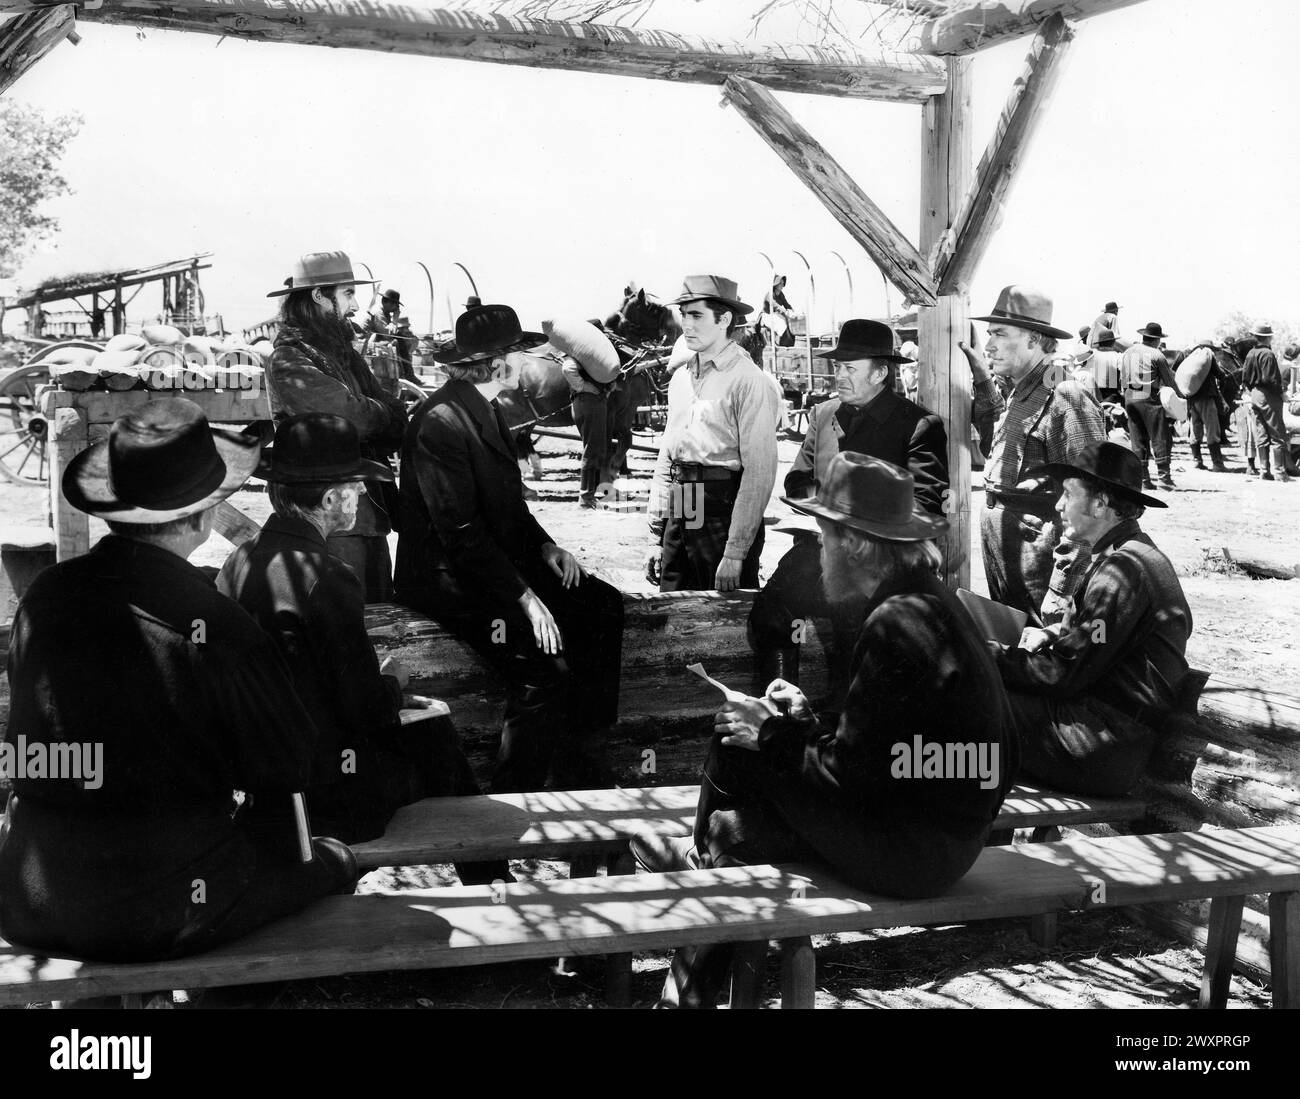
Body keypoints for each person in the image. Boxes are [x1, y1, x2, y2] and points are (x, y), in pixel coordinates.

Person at [632, 454, 1016, 1008]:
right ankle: (704, 869)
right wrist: (809, 721)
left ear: (856, 545)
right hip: (948, 842)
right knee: (737, 813)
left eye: (824, 538)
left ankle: (697, 882)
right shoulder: (935, 605)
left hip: (910, 854)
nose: (820, 553)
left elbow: (854, 776)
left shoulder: (894, 623)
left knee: (735, 747)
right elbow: (890, 752)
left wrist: (773, 735)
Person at [0, 399, 356, 963]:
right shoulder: (213, 622)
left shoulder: (44, 595)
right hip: (159, 907)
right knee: (333, 859)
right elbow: (286, 764)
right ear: (201, 516)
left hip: (27, 895)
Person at [216, 413, 508, 885]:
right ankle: (492, 885)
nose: (363, 496)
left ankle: (490, 883)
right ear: (332, 498)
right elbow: (360, 705)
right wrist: (395, 689)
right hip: (325, 788)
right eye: (356, 486)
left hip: (264, 773)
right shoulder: (325, 576)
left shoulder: (239, 561)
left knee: (430, 728)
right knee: (437, 739)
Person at [394, 304, 624, 792]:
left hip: (489, 563)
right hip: (446, 577)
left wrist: (546, 548)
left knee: (602, 607)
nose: (526, 363)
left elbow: (508, 509)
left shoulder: (486, 408)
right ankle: (507, 805)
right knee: (544, 670)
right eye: (519, 355)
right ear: (496, 363)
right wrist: (525, 598)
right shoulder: (439, 421)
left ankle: (579, 761)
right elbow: (461, 533)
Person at [748, 318, 948, 698]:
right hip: (820, 548)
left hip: (879, 562)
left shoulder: (917, 425)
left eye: (850, 368)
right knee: (769, 615)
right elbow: (797, 480)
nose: (838, 374)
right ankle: (780, 710)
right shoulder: (824, 415)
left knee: (853, 646)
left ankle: (842, 730)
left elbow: (927, 502)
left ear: (880, 373)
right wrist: (826, 507)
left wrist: (858, 516)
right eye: (837, 366)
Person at [996, 442, 1192, 796]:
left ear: (1102, 503)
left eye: (1068, 494)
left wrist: (986, 654)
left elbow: (1060, 674)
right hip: (1099, 734)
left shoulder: (1123, 571)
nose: (1057, 506)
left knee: (968, 696)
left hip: (1099, 743)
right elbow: (1099, 639)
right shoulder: (1126, 557)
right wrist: (1056, 634)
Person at [265, 251, 407, 602]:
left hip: (366, 510)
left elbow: (389, 409)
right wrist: (384, 415)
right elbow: (350, 419)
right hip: (326, 515)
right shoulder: (290, 358)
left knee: (380, 614)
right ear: (318, 296)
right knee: (350, 616)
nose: (356, 305)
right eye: (347, 294)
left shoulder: (341, 352)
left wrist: (384, 414)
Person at [974, 285, 1107, 625]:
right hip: (1011, 551)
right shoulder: (1023, 388)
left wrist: (1062, 588)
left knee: (1044, 654)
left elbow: (1091, 499)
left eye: (1000, 334)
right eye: (990, 334)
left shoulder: (1065, 393)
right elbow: (1008, 441)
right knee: (1015, 644)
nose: (989, 344)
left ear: (1034, 339)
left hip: (1039, 558)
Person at [646, 275, 779, 593]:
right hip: (683, 501)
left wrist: (735, 553)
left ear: (725, 320)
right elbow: (668, 455)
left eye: (696, 315)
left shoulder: (749, 381)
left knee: (724, 618)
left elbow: (758, 473)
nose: (686, 325)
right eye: (683, 314)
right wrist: (656, 535)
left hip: (722, 505)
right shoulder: (681, 378)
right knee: (673, 607)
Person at [1120, 320, 1182, 490]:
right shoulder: (1157, 355)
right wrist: (1181, 396)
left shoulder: (1128, 353)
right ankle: (1164, 478)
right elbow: (1169, 381)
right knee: (1159, 436)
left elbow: (1122, 379)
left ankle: (1143, 479)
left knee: (1137, 438)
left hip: (1130, 396)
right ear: (1156, 340)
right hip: (1148, 396)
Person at [1241, 323, 1296, 482]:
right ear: (1268, 337)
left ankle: (1264, 471)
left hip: (1255, 395)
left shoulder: (1251, 353)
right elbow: (1271, 380)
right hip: (1269, 396)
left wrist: (1254, 391)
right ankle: (1279, 472)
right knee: (1278, 434)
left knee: (1261, 433)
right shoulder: (1268, 354)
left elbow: (1245, 378)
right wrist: (1282, 394)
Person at [1177, 338, 1229, 472]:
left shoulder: (1192, 357)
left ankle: (1197, 460)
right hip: (1206, 398)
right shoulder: (1207, 356)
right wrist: (1225, 376)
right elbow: (1219, 374)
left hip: (1192, 398)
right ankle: (1217, 463)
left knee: (1195, 428)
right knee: (1213, 430)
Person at [762, 274, 797, 348]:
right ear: (776, 284)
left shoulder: (781, 294)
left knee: (789, 322)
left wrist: (793, 312)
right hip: (767, 315)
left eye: (783, 283)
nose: (782, 284)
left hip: (775, 314)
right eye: (780, 283)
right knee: (782, 323)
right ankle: (779, 344)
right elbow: (774, 304)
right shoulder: (770, 294)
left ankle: (789, 344)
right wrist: (784, 311)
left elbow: (786, 304)